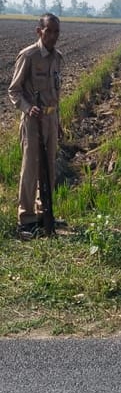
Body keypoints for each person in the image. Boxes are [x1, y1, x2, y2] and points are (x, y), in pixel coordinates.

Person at [8, 13, 63, 237]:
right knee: (30, 169)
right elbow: (14, 90)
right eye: (49, 31)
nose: (53, 36)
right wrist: (28, 107)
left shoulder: (58, 57)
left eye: (56, 32)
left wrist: (58, 122)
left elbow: (56, 93)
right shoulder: (28, 56)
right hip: (33, 121)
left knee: (49, 169)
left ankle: (44, 214)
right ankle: (26, 219)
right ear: (39, 31)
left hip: (51, 119)